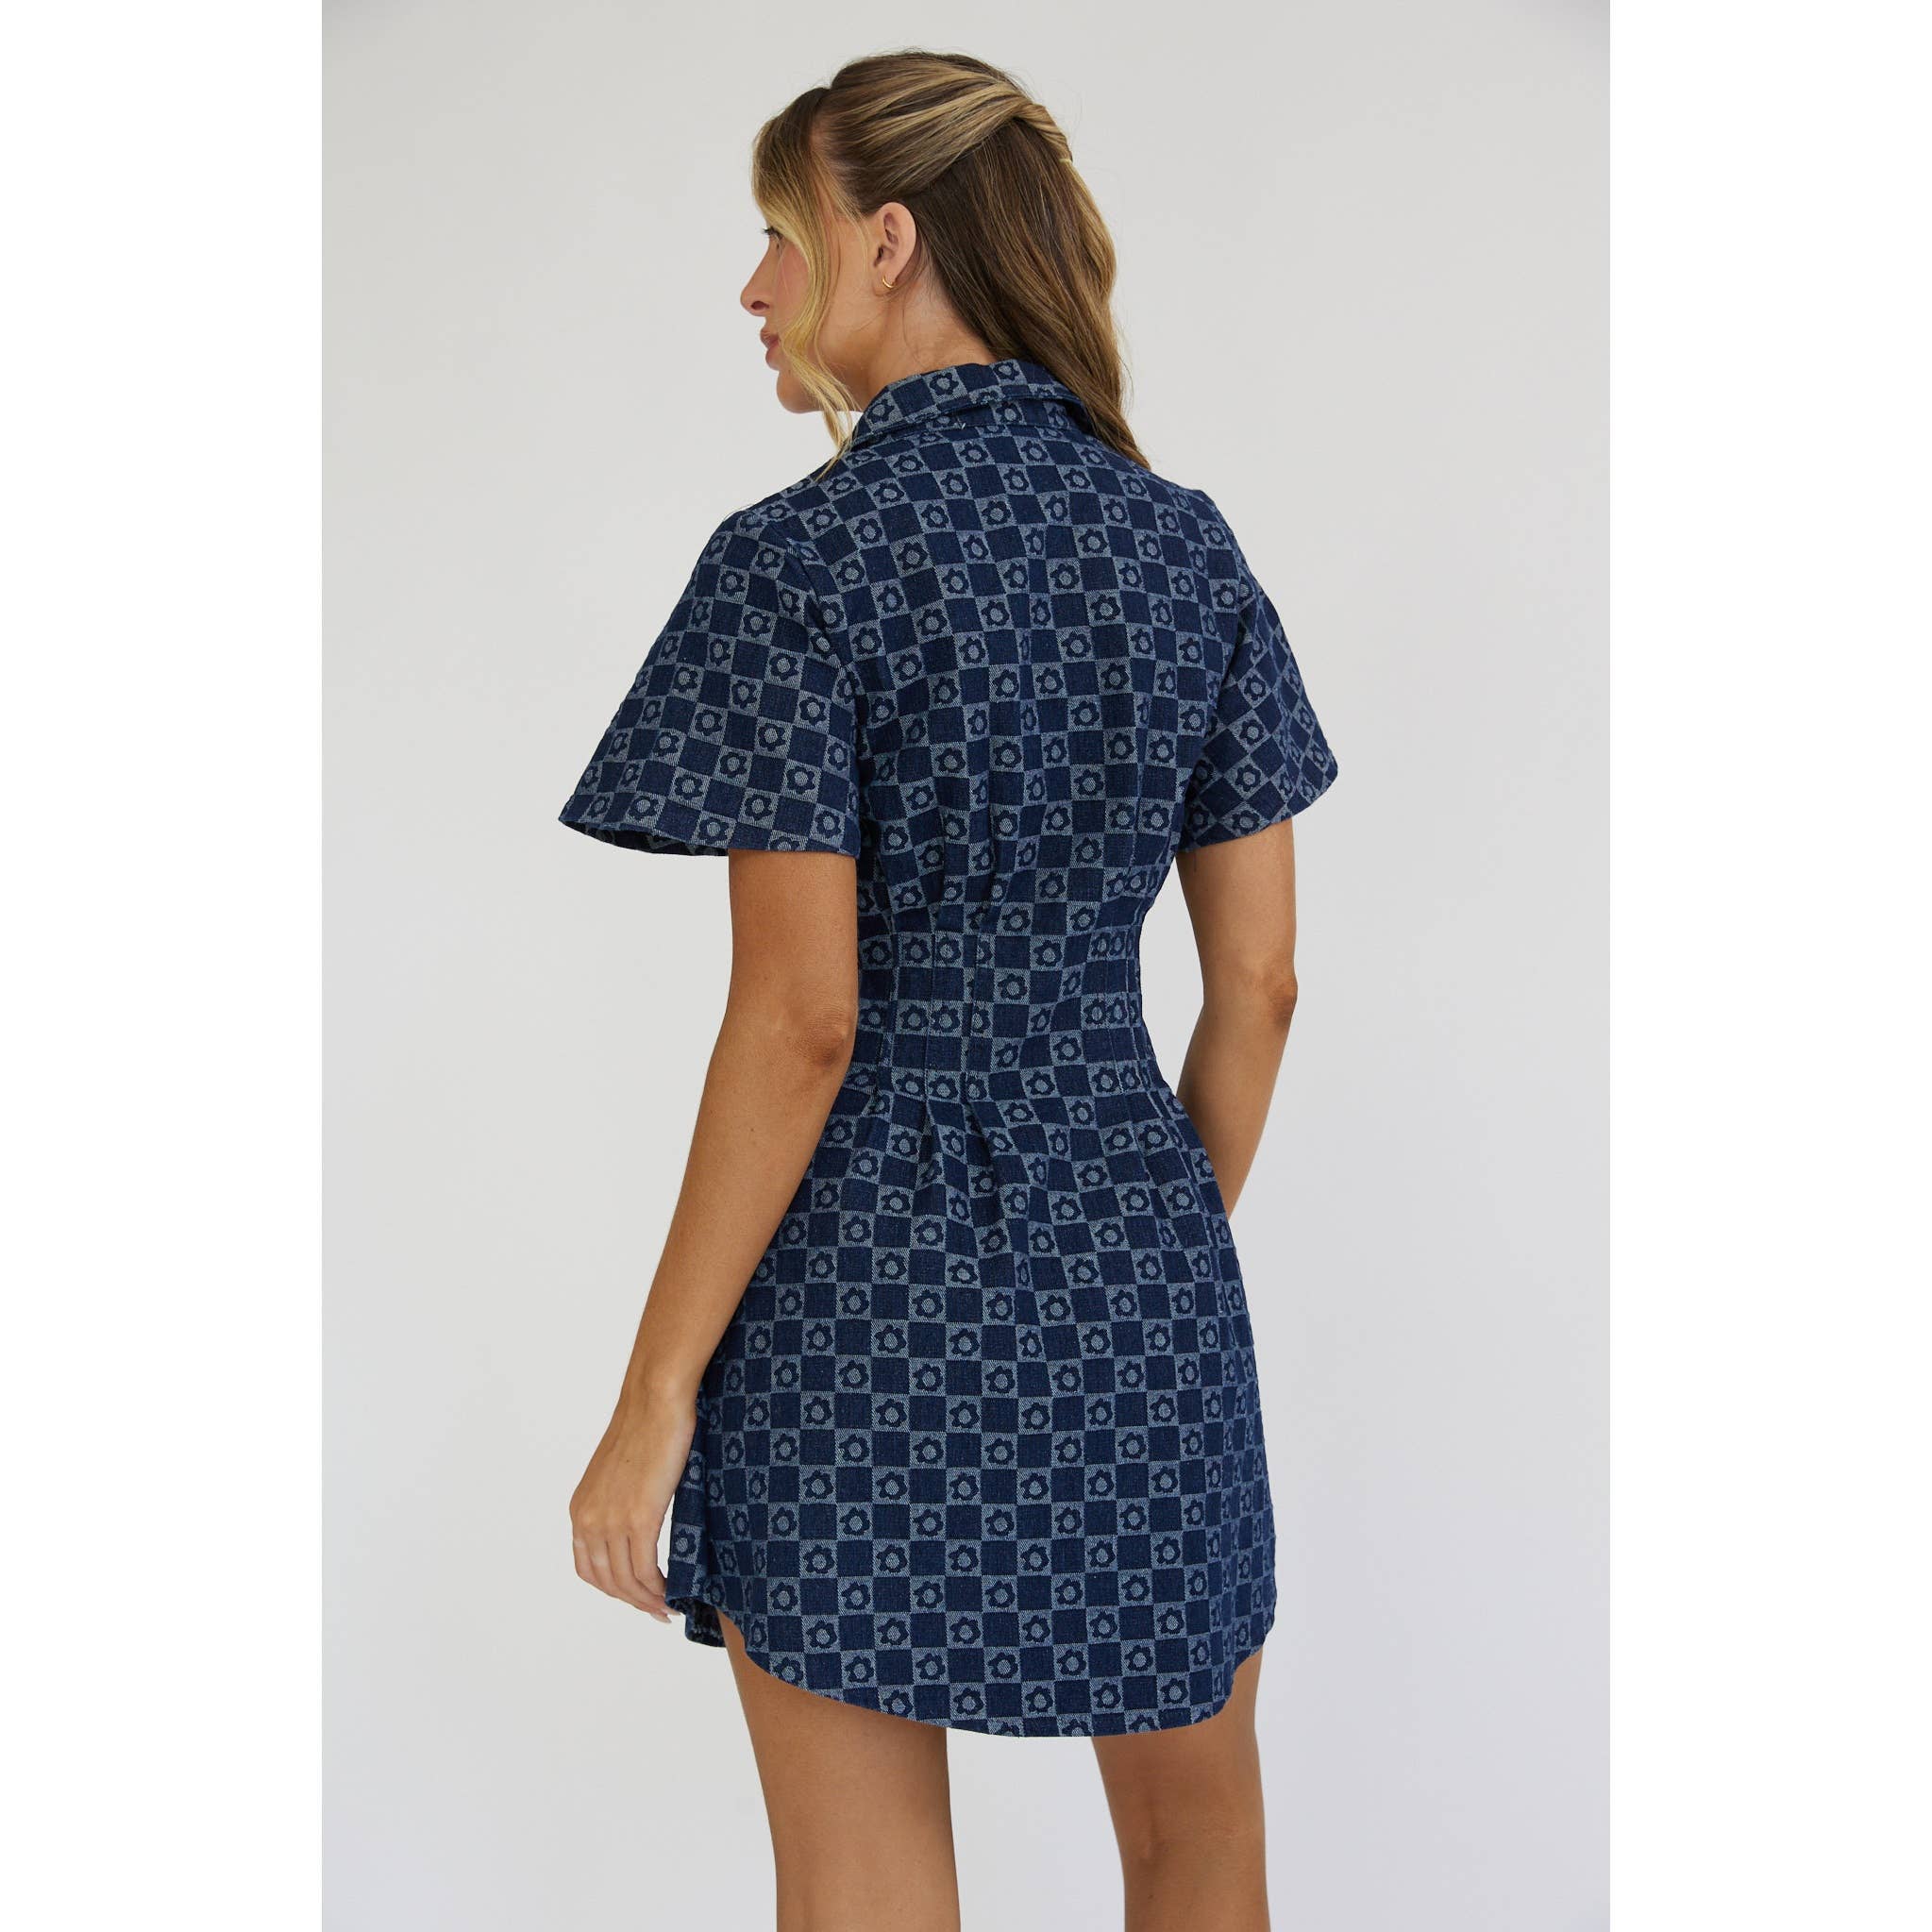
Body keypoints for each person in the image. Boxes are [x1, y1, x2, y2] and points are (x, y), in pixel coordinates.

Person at [559, 49, 1338, 1932]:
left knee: (862, 1886)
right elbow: (1259, 984)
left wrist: (653, 1400)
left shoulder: (797, 566)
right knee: (1200, 1848)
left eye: (781, 234)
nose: (754, 286)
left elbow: (803, 1019)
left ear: (888, 241)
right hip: (1136, 1271)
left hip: (852, 1299)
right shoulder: (1186, 550)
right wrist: (1142, 1238)